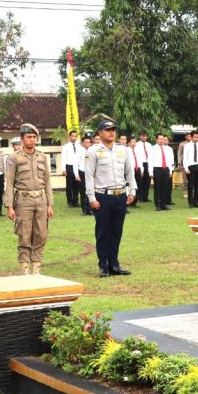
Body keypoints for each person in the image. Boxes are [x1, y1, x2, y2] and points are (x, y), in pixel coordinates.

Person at [84, 119, 137, 278]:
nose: (112, 132)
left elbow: (129, 172)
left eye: (113, 129)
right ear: (100, 133)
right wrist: (91, 198)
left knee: (116, 232)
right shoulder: (93, 151)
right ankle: (103, 265)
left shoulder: (123, 150)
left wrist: (132, 190)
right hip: (102, 196)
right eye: (108, 130)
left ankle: (114, 264)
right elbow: (89, 176)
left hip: (120, 195)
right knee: (103, 232)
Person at [5, 123, 54, 275]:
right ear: (22, 139)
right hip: (23, 201)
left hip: (41, 200)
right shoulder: (14, 158)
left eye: (34, 137)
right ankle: (25, 268)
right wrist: (9, 206)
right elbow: (9, 183)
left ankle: (36, 268)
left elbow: (47, 182)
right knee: (24, 235)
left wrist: (50, 204)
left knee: (41, 234)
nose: (32, 140)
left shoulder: (42, 157)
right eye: (29, 137)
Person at [148, 133, 171, 211]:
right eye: (160, 139)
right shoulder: (153, 148)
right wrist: (150, 172)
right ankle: (157, 205)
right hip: (157, 169)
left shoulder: (167, 149)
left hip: (166, 169)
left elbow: (169, 160)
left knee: (165, 187)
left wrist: (170, 171)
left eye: (162, 139)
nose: (161, 140)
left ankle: (164, 204)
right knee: (157, 187)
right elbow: (150, 160)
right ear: (156, 140)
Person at [182, 130, 198, 208]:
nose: (196, 139)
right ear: (191, 137)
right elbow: (185, 157)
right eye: (195, 137)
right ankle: (190, 203)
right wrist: (186, 168)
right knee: (191, 185)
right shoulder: (187, 145)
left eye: (197, 137)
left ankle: (196, 202)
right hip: (190, 167)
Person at [61, 130, 80, 207]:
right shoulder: (65, 147)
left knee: (77, 184)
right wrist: (64, 169)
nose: (74, 137)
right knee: (69, 185)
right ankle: (70, 202)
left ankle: (75, 201)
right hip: (69, 166)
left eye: (75, 136)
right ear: (69, 136)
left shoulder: (79, 146)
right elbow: (63, 158)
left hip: (77, 166)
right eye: (73, 136)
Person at [132, 131, 151, 205]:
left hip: (148, 163)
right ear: (140, 136)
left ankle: (146, 197)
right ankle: (141, 197)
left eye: (145, 136)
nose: (144, 137)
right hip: (140, 163)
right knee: (141, 181)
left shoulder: (149, 145)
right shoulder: (137, 144)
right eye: (142, 136)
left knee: (147, 181)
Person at [76, 134, 92, 215]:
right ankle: (84, 210)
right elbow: (75, 164)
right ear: (82, 143)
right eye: (86, 142)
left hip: (91, 173)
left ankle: (90, 209)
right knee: (83, 192)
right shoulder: (79, 151)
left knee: (90, 191)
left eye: (89, 142)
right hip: (82, 172)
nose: (88, 144)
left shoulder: (92, 151)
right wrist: (76, 175)